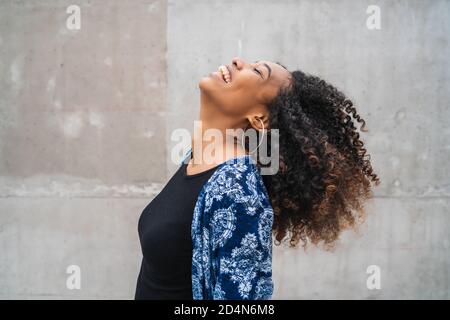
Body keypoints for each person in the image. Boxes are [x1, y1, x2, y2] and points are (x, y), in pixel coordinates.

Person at [135, 57, 380, 300]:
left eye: (257, 71)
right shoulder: (194, 160)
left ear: (259, 119)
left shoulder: (238, 189)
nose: (238, 61)